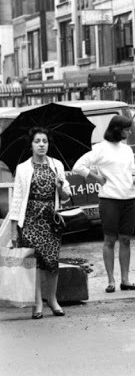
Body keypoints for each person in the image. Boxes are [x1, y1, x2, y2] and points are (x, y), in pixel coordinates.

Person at [73, 115, 135, 294]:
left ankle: (125, 279)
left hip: (130, 197)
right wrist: (97, 178)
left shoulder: (127, 150)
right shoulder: (100, 149)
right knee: (110, 239)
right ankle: (111, 280)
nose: (129, 132)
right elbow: (78, 166)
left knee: (126, 239)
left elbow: (133, 170)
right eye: (127, 129)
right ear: (117, 129)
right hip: (110, 199)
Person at [8, 127, 71, 319]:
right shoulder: (23, 168)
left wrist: (61, 187)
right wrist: (13, 227)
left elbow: (66, 197)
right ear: (31, 145)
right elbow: (17, 198)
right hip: (30, 221)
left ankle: (52, 300)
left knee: (52, 262)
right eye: (37, 141)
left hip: (50, 221)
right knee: (34, 263)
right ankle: (37, 303)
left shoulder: (57, 165)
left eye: (44, 141)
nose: (42, 144)